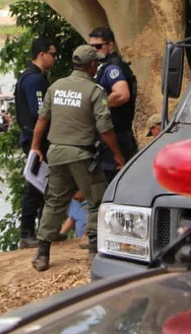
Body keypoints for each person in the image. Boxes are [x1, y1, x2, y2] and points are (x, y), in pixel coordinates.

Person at [30, 45, 126, 271]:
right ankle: (94, 251)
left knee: (54, 201)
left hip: (56, 152)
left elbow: (42, 120)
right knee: (97, 200)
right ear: (92, 65)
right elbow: (105, 128)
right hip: (82, 154)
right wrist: (118, 155)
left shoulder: (56, 87)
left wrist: (36, 147)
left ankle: (42, 253)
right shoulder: (96, 92)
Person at [14, 37, 57, 249]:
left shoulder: (29, 76)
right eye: (53, 54)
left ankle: (43, 231)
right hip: (36, 140)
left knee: (43, 185)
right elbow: (40, 112)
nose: (55, 58)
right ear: (42, 54)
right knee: (36, 185)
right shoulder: (34, 80)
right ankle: (28, 233)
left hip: (32, 138)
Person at [89, 27, 139, 182]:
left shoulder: (113, 68)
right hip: (113, 133)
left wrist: (99, 104)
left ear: (110, 46)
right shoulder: (105, 66)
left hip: (116, 134)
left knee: (111, 180)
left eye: (98, 46)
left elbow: (122, 95)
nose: (93, 50)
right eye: (91, 47)